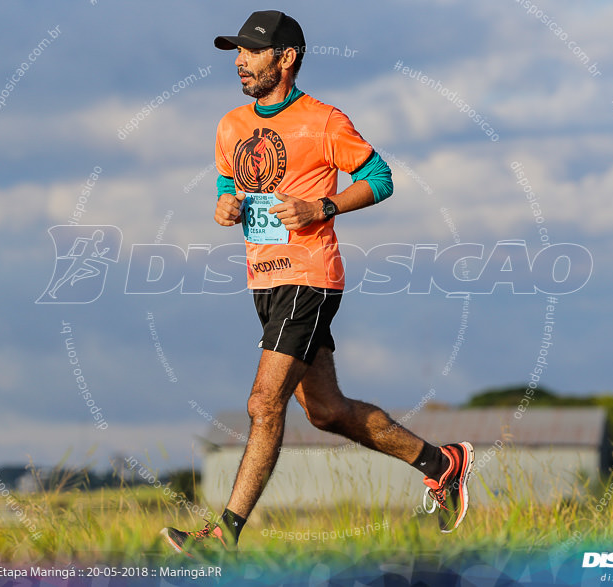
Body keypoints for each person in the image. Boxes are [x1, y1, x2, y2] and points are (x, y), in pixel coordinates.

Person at [161, 10, 474, 557]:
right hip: (263, 281)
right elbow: (227, 180)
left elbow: (380, 178)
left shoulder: (325, 120)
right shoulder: (231, 124)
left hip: (310, 276)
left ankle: (223, 535)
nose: (239, 61)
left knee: (263, 403)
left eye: (252, 51)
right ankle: (441, 464)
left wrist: (321, 205)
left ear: (286, 58)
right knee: (326, 410)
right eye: (236, 51)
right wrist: (225, 205)